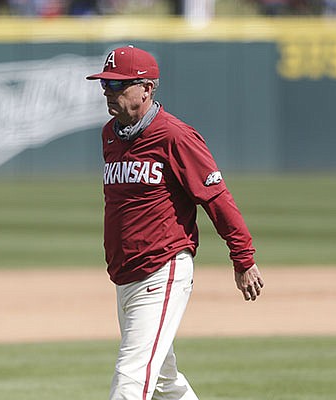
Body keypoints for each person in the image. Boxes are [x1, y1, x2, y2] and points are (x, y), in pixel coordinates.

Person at [86, 45, 264, 400]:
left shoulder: (175, 136)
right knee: (165, 380)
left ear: (147, 88)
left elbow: (216, 198)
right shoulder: (110, 135)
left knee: (131, 379)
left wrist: (243, 259)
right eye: (106, 84)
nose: (109, 92)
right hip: (125, 274)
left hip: (162, 268)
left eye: (119, 85)